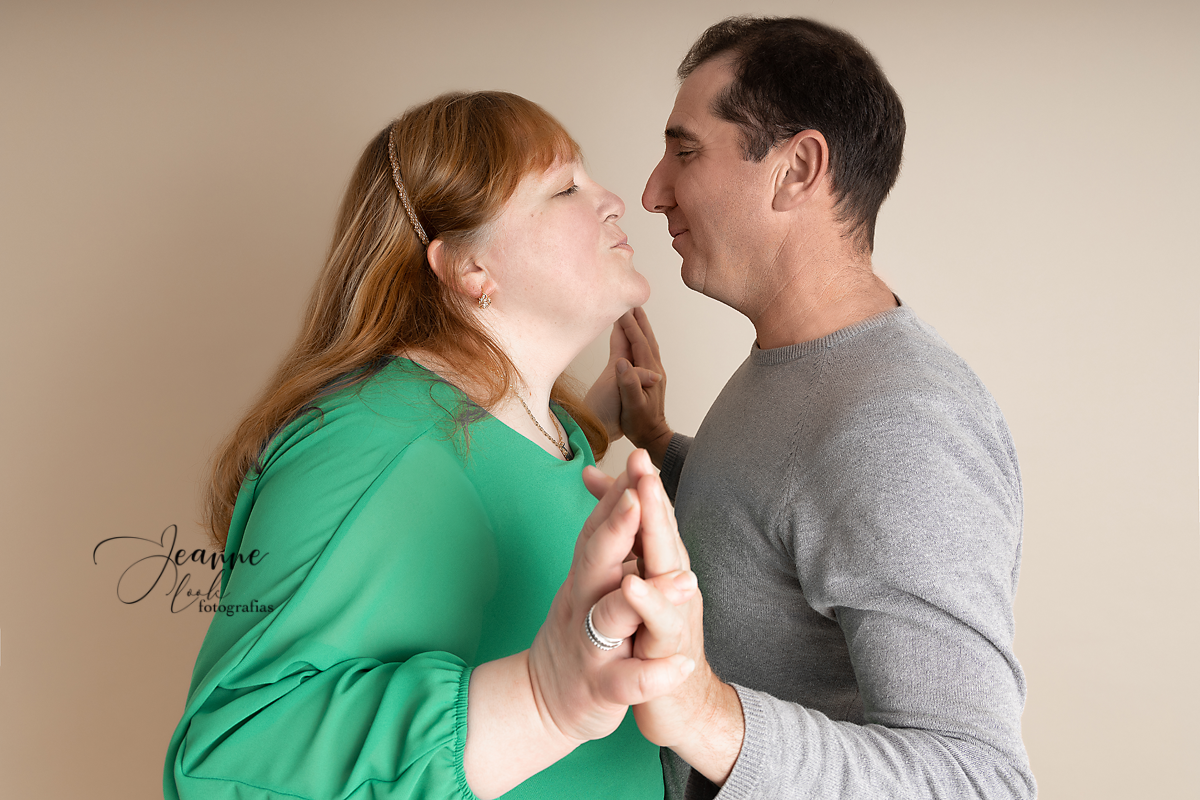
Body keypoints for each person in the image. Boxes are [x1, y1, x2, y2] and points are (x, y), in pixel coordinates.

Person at [163, 91, 700, 800]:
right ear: (470, 268)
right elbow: (227, 755)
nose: (615, 202)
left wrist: (602, 421)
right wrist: (541, 700)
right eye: (566, 187)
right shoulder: (365, 438)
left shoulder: (551, 431)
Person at [598, 16, 1036, 800]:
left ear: (797, 168)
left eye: (686, 151)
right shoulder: (803, 363)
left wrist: (703, 714)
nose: (653, 192)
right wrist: (660, 444)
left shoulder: (900, 429)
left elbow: (980, 781)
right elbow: (787, 522)